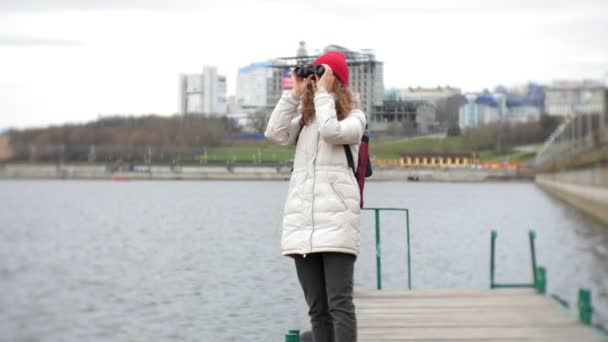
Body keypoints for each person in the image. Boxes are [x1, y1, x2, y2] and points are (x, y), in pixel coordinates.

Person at [264, 51, 366, 342]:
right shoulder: (305, 122)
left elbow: (331, 131)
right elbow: (274, 133)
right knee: (317, 310)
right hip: (303, 225)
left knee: (340, 306)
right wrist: (294, 95)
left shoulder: (355, 118)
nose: (316, 81)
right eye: (315, 76)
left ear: (337, 80)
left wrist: (322, 95)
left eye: (323, 75)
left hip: (336, 224)